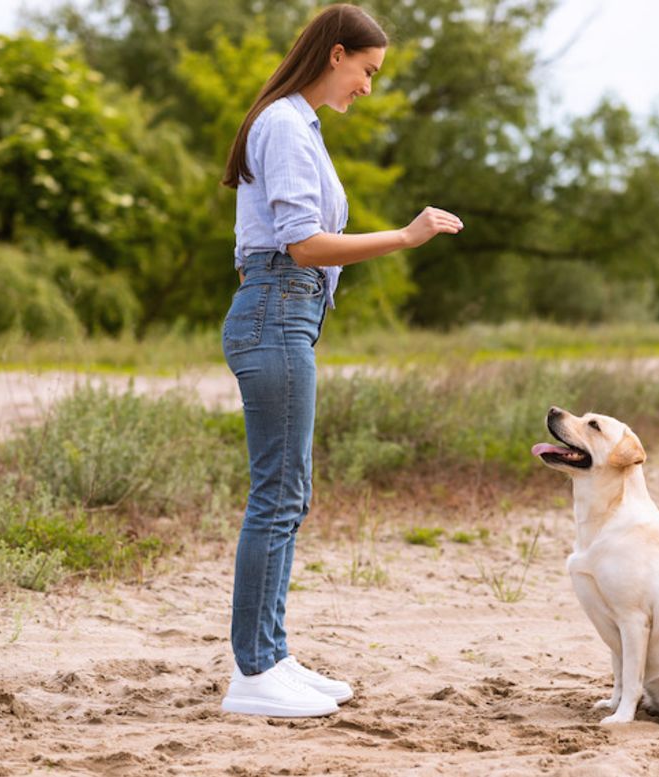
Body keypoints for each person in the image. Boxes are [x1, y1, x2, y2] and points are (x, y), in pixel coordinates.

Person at [218, 4, 463, 718]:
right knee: (278, 495)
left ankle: (272, 655)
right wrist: (406, 236)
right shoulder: (286, 125)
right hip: (275, 309)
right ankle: (253, 675)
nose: (367, 85)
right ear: (334, 55)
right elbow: (302, 243)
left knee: (287, 494)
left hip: (285, 312)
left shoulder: (297, 126)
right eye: (366, 70)